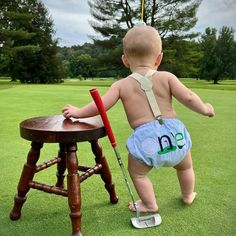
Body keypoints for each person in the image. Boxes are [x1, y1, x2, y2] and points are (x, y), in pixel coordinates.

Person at [62, 25, 215, 213]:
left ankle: (149, 204)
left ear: (125, 61)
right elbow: (189, 97)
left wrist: (77, 112)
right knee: (185, 167)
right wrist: (205, 109)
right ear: (159, 58)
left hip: (147, 139)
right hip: (175, 134)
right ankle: (188, 194)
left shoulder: (121, 85)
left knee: (138, 173)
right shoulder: (167, 77)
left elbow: (101, 105)